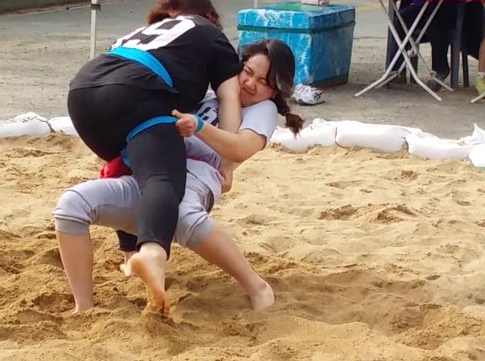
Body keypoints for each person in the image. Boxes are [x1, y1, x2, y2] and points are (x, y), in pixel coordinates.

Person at [55, 39, 303, 314]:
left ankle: (257, 286)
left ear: (276, 89)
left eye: (263, 81)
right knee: (72, 204)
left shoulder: (262, 109)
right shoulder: (208, 89)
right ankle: (84, 307)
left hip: (197, 175)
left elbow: (242, 148)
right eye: (247, 71)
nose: (250, 83)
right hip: (154, 168)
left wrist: (199, 127)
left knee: (183, 215)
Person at [66, 0, 243, 314]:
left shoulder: (141, 33)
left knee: (133, 170)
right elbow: (230, 97)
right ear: (209, 16)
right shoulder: (208, 32)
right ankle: (151, 251)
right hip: (137, 92)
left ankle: (121, 262)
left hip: (82, 93)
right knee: (163, 178)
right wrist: (227, 162)